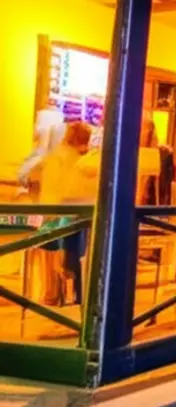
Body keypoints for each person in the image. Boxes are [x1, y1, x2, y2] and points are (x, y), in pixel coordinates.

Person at [39, 122, 98, 306]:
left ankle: (54, 294)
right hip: (69, 211)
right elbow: (74, 187)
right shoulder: (79, 159)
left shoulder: (56, 154)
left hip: (51, 210)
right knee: (74, 253)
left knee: (56, 253)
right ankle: (76, 294)